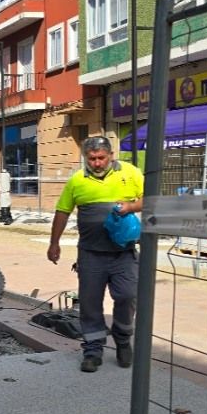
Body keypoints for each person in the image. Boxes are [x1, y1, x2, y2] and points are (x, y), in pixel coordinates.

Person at [47, 136, 143, 373]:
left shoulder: (130, 173)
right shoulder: (77, 181)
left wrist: (131, 207)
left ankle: (123, 340)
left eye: (101, 158)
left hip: (124, 254)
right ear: (85, 159)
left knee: (127, 295)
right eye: (92, 159)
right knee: (90, 303)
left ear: (110, 155)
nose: (97, 163)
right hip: (91, 255)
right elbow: (62, 211)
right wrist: (54, 243)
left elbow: (150, 199)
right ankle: (93, 350)